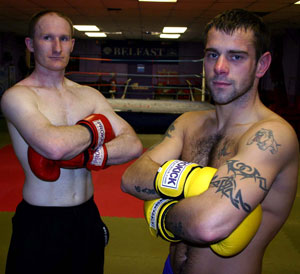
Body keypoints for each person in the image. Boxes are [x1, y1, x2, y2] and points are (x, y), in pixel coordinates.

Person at [121, 9, 299, 274]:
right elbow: (131, 177)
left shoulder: (272, 135)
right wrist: (191, 184)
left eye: (236, 56)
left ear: (261, 65)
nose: (219, 68)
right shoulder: (188, 123)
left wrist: (159, 211)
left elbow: (208, 225)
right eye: (212, 54)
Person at [0, 10, 143, 274]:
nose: (57, 47)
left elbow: (133, 144)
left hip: (87, 217)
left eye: (64, 38)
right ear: (31, 44)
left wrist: (89, 157)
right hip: (40, 220)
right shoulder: (17, 97)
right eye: (47, 38)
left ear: (72, 44)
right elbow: (53, 146)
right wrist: (95, 128)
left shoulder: (88, 95)